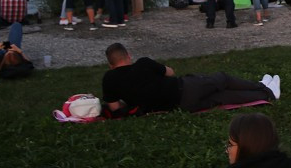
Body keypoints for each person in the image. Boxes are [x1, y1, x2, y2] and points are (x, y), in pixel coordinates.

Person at [101, 43, 278, 116]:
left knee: (223, 97)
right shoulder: (143, 64)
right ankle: (263, 87)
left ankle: (265, 93)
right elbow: (170, 72)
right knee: (222, 79)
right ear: (128, 56)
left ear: (111, 64)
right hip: (185, 88)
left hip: (181, 106)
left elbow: (115, 108)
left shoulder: (109, 79)